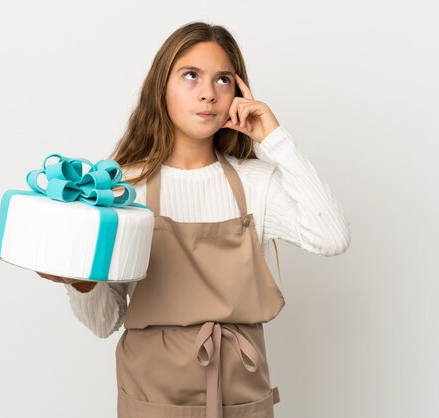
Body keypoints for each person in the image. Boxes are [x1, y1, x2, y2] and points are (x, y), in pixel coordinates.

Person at [37, 21, 350, 418]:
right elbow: (105, 322)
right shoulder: (123, 189)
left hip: (241, 397)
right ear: (161, 87)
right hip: (151, 399)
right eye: (191, 76)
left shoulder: (256, 185)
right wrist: (81, 283)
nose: (208, 93)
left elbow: (333, 237)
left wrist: (273, 137)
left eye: (223, 79)